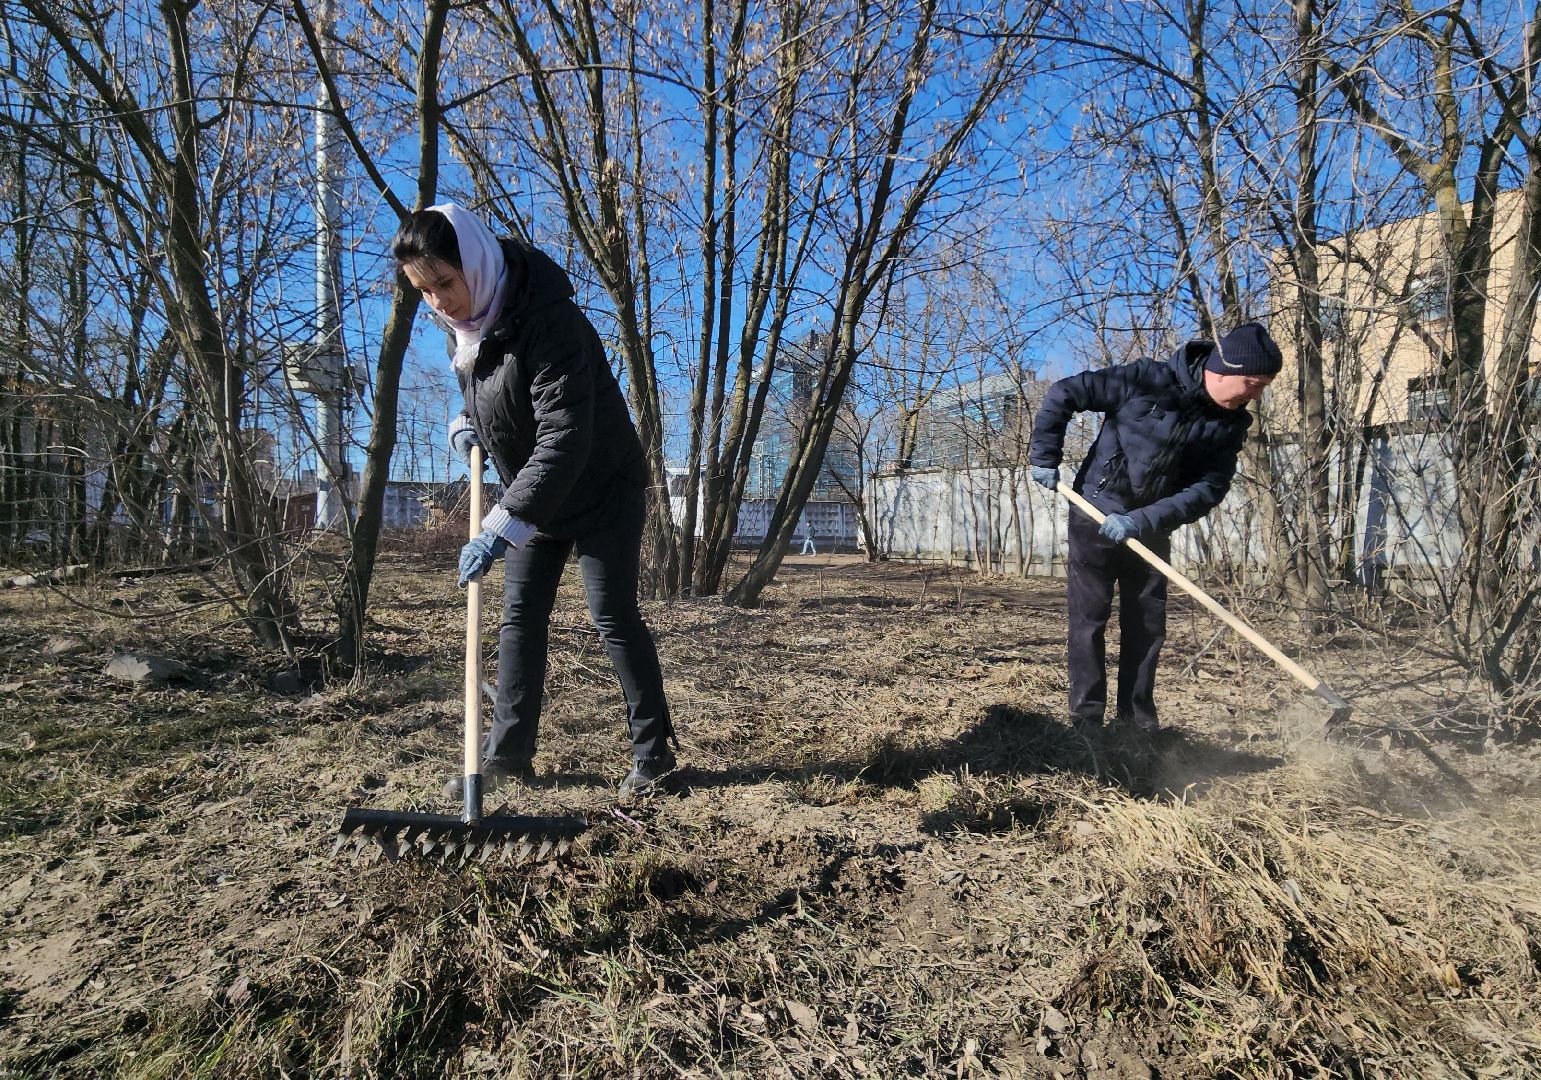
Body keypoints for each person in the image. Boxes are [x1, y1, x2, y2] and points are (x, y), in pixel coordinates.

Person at [392, 203, 677, 802]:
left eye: (445, 282)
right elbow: (499, 400)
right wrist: (466, 422)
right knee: (518, 620)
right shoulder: (469, 330)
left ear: (474, 263)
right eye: (425, 291)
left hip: (601, 486)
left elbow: (565, 432)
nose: (439, 302)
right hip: (538, 495)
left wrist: (502, 523)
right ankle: (506, 759)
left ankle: (656, 756)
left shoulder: (550, 320)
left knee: (612, 616)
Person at [1028, 323, 1281, 733]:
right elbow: (1065, 393)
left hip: (1149, 527)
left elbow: (1209, 488)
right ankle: (1086, 719)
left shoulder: (1229, 426)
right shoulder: (1146, 379)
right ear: (1221, 370)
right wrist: (1044, 455)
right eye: (1252, 384)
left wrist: (1142, 521)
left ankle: (1137, 721)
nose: (1256, 396)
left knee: (1146, 624)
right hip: (1094, 512)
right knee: (1089, 619)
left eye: (1262, 387)